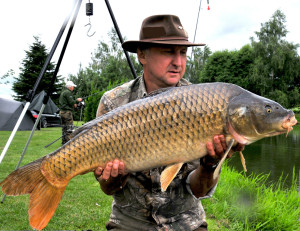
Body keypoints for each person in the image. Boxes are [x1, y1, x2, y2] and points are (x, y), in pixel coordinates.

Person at [94, 15, 244, 231]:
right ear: (142, 55)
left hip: (186, 223)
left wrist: (210, 164)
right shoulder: (114, 102)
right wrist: (113, 178)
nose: (178, 62)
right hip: (130, 223)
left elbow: (198, 190)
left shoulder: (203, 103)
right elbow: (107, 188)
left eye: (183, 52)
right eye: (168, 52)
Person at [59, 80, 82, 145]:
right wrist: (77, 100)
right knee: (69, 129)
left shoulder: (63, 92)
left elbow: (69, 102)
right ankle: (69, 144)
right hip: (67, 113)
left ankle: (64, 143)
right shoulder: (67, 92)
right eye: (73, 86)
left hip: (62, 112)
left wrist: (74, 102)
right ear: (70, 87)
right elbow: (71, 102)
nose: (73, 88)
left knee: (64, 129)